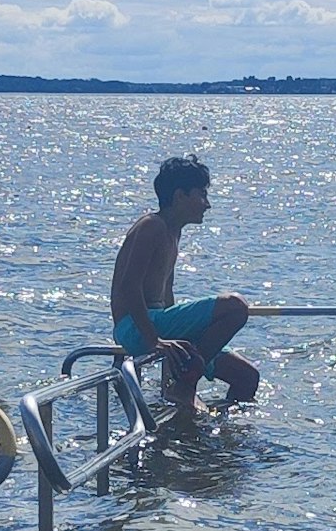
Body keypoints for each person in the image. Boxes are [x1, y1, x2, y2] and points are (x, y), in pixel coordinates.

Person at [109, 154, 260, 413]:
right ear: (180, 196)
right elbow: (128, 287)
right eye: (201, 195)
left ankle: (212, 439)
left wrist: (175, 343)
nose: (207, 204)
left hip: (160, 325)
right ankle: (183, 384)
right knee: (235, 307)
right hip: (135, 327)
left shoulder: (173, 231)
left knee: (247, 377)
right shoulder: (151, 226)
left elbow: (166, 297)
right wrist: (155, 340)